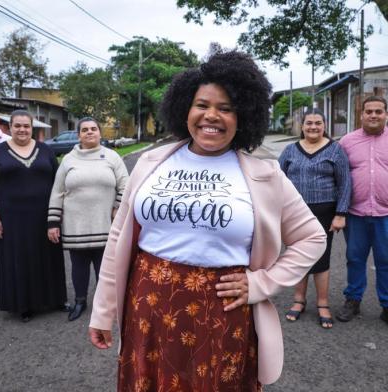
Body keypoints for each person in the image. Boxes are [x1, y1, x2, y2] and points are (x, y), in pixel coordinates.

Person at [88, 51, 327, 390]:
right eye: (202, 104)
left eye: (226, 108)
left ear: (243, 115)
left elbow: (312, 238)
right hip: (148, 309)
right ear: (185, 107)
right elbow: (117, 240)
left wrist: (262, 284)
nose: (211, 116)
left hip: (222, 313)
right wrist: (102, 311)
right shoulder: (151, 163)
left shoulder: (265, 174)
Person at [47, 117, 128, 321]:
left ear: (100, 133)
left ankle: (108, 305)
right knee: (79, 266)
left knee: (106, 268)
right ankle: (80, 301)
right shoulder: (68, 159)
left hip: (105, 224)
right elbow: (57, 191)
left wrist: (117, 207)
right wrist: (53, 222)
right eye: (85, 130)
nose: (89, 132)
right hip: (76, 225)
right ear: (78, 135)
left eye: (93, 129)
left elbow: (126, 186)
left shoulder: (112, 157)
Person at [279, 108, 351, 329]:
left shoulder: (335, 150)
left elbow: (345, 183)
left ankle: (322, 303)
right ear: (302, 126)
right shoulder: (290, 150)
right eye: (309, 123)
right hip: (294, 213)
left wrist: (340, 214)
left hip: (324, 212)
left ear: (324, 125)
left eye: (318, 123)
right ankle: (299, 300)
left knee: (322, 258)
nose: (313, 127)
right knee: (298, 255)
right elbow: (276, 179)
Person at [0, 110, 67, 322]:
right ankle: (23, 304)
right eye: (17, 126)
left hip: (44, 216)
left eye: (26, 126)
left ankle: (55, 299)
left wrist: (59, 214)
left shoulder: (45, 150)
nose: (22, 130)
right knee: (19, 259)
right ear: (10, 127)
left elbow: (59, 183)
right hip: (12, 219)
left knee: (48, 256)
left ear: (32, 127)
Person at [336, 96, 388, 324]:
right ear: (361, 115)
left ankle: (386, 304)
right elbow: (337, 175)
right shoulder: (347, 142)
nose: (374, 115)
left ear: (386, 114)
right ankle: (353, 300)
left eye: (378, 111)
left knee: (386, 260)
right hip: (356, 213)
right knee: (355, 258)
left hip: (386, 214)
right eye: (369, 111)